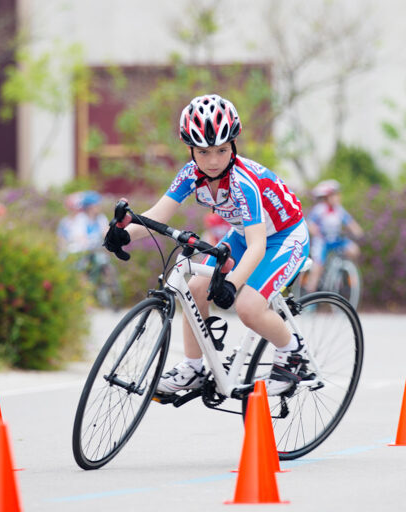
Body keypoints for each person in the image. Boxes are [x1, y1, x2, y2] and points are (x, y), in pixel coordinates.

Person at [103, 93, 313, 396]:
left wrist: (232, 284)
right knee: (195, 288)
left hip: (284, 237)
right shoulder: (190, 174)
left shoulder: (243, 182)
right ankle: (193, 368)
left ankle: (293, 352)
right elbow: (158, 215)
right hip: (243, 235)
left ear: (233, 145)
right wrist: (124, 234)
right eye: (203, 152)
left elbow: (257, 246)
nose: (213, 161)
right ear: (190, 149)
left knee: (248, 307)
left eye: (221, 150)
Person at [304, 179, 364, 291]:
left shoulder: (339, 210)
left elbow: (350, 223)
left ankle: (346, 274)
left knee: (354, 250)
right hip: (322, 241)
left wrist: (359, 232)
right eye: (334, 195)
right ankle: (310, 294)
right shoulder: (319, 209)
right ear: (327, 197)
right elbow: (309, 223)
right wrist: (314, 230)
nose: (338, 197)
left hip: (336, 240)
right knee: (317, 268)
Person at [57, 192, 91, 256]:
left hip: (83, 250)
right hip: (70, 251)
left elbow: (87, 236)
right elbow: (61, 239)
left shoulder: (84, 219)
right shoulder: (64, 222)